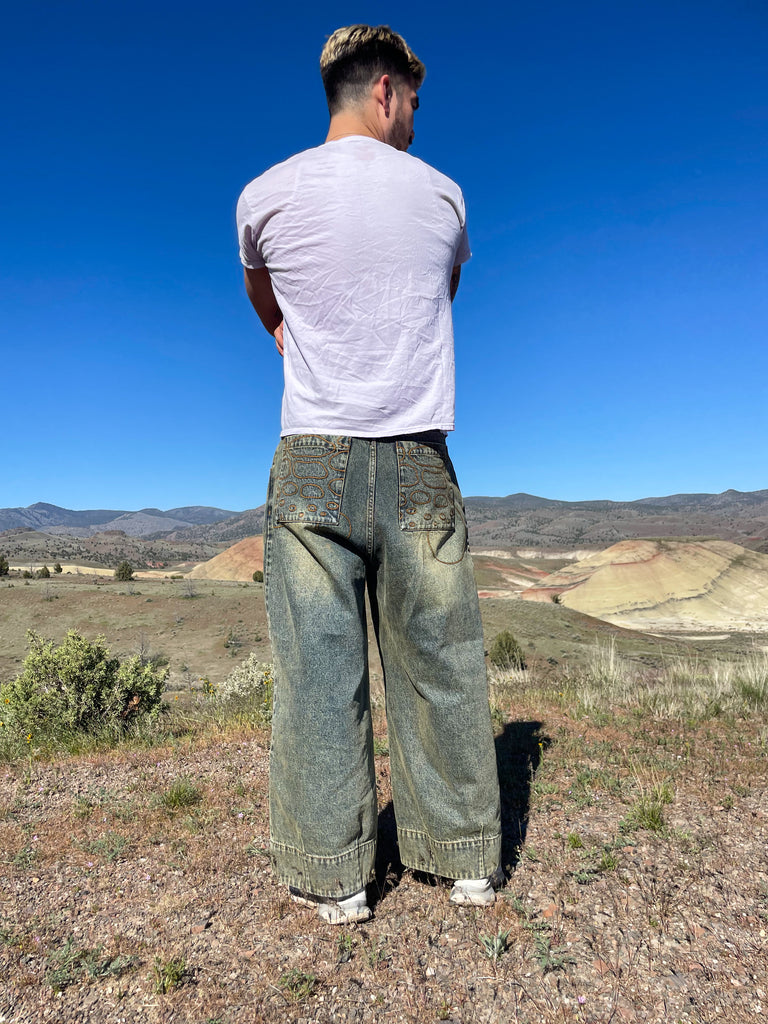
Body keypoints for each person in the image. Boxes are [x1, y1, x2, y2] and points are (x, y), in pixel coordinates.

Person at [236, 24, 501, 925]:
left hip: (313, 453)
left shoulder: (264, 195)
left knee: (318, 674)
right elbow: (439, 295)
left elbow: (263, 293)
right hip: (418, 452)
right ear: (385, 90)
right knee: (440, 659)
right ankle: (464, 857)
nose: (416, 119)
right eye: (414, 101)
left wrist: (292, 335)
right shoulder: (444, 196)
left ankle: (335, 876)